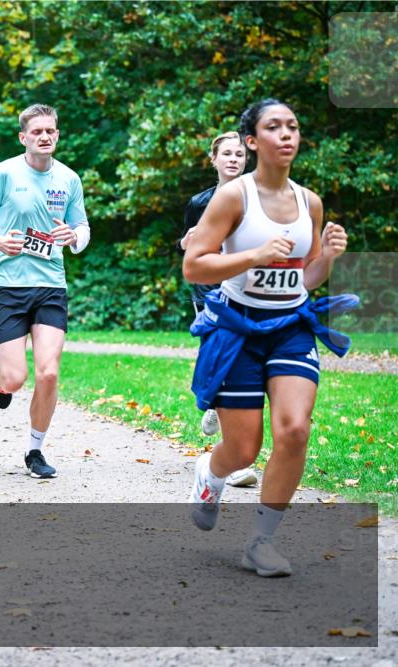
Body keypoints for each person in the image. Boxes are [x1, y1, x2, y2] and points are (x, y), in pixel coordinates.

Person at [183, 99, 349, 576]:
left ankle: (261, 542)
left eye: (293, 126)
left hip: (291, 329)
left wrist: (328, 258)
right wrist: (252, 255)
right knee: (243, 449)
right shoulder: (234, 197)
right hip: (237, 328)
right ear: (253, 141)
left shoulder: (308, 202)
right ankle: (210, 476)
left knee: (295, 430)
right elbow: (194, 264)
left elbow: (307, 276)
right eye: (274, 127)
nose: (286, 135)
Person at [0, 103, 90, 479]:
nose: (45, 136)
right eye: (37, 132)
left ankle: (35, 451)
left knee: (48, 373)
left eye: (50, 131)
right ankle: (1, 376)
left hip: (50, 285)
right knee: (15, 378)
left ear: (57, 135)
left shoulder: (69, 179)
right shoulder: (3, 174)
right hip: (7, 286)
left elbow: (82, 228)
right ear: (24, 137)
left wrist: (74, 237)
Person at [176, 131, 258, 488]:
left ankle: (212, 402)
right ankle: (237, 462)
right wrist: (190, 239)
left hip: (250, 293)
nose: (233, 159)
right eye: (226, 153)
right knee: (228, 364)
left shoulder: (260, 199)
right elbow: (184, 245)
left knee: (246, 367)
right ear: (214, 159)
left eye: (239, 154)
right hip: (210, 294)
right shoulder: (199, 203)